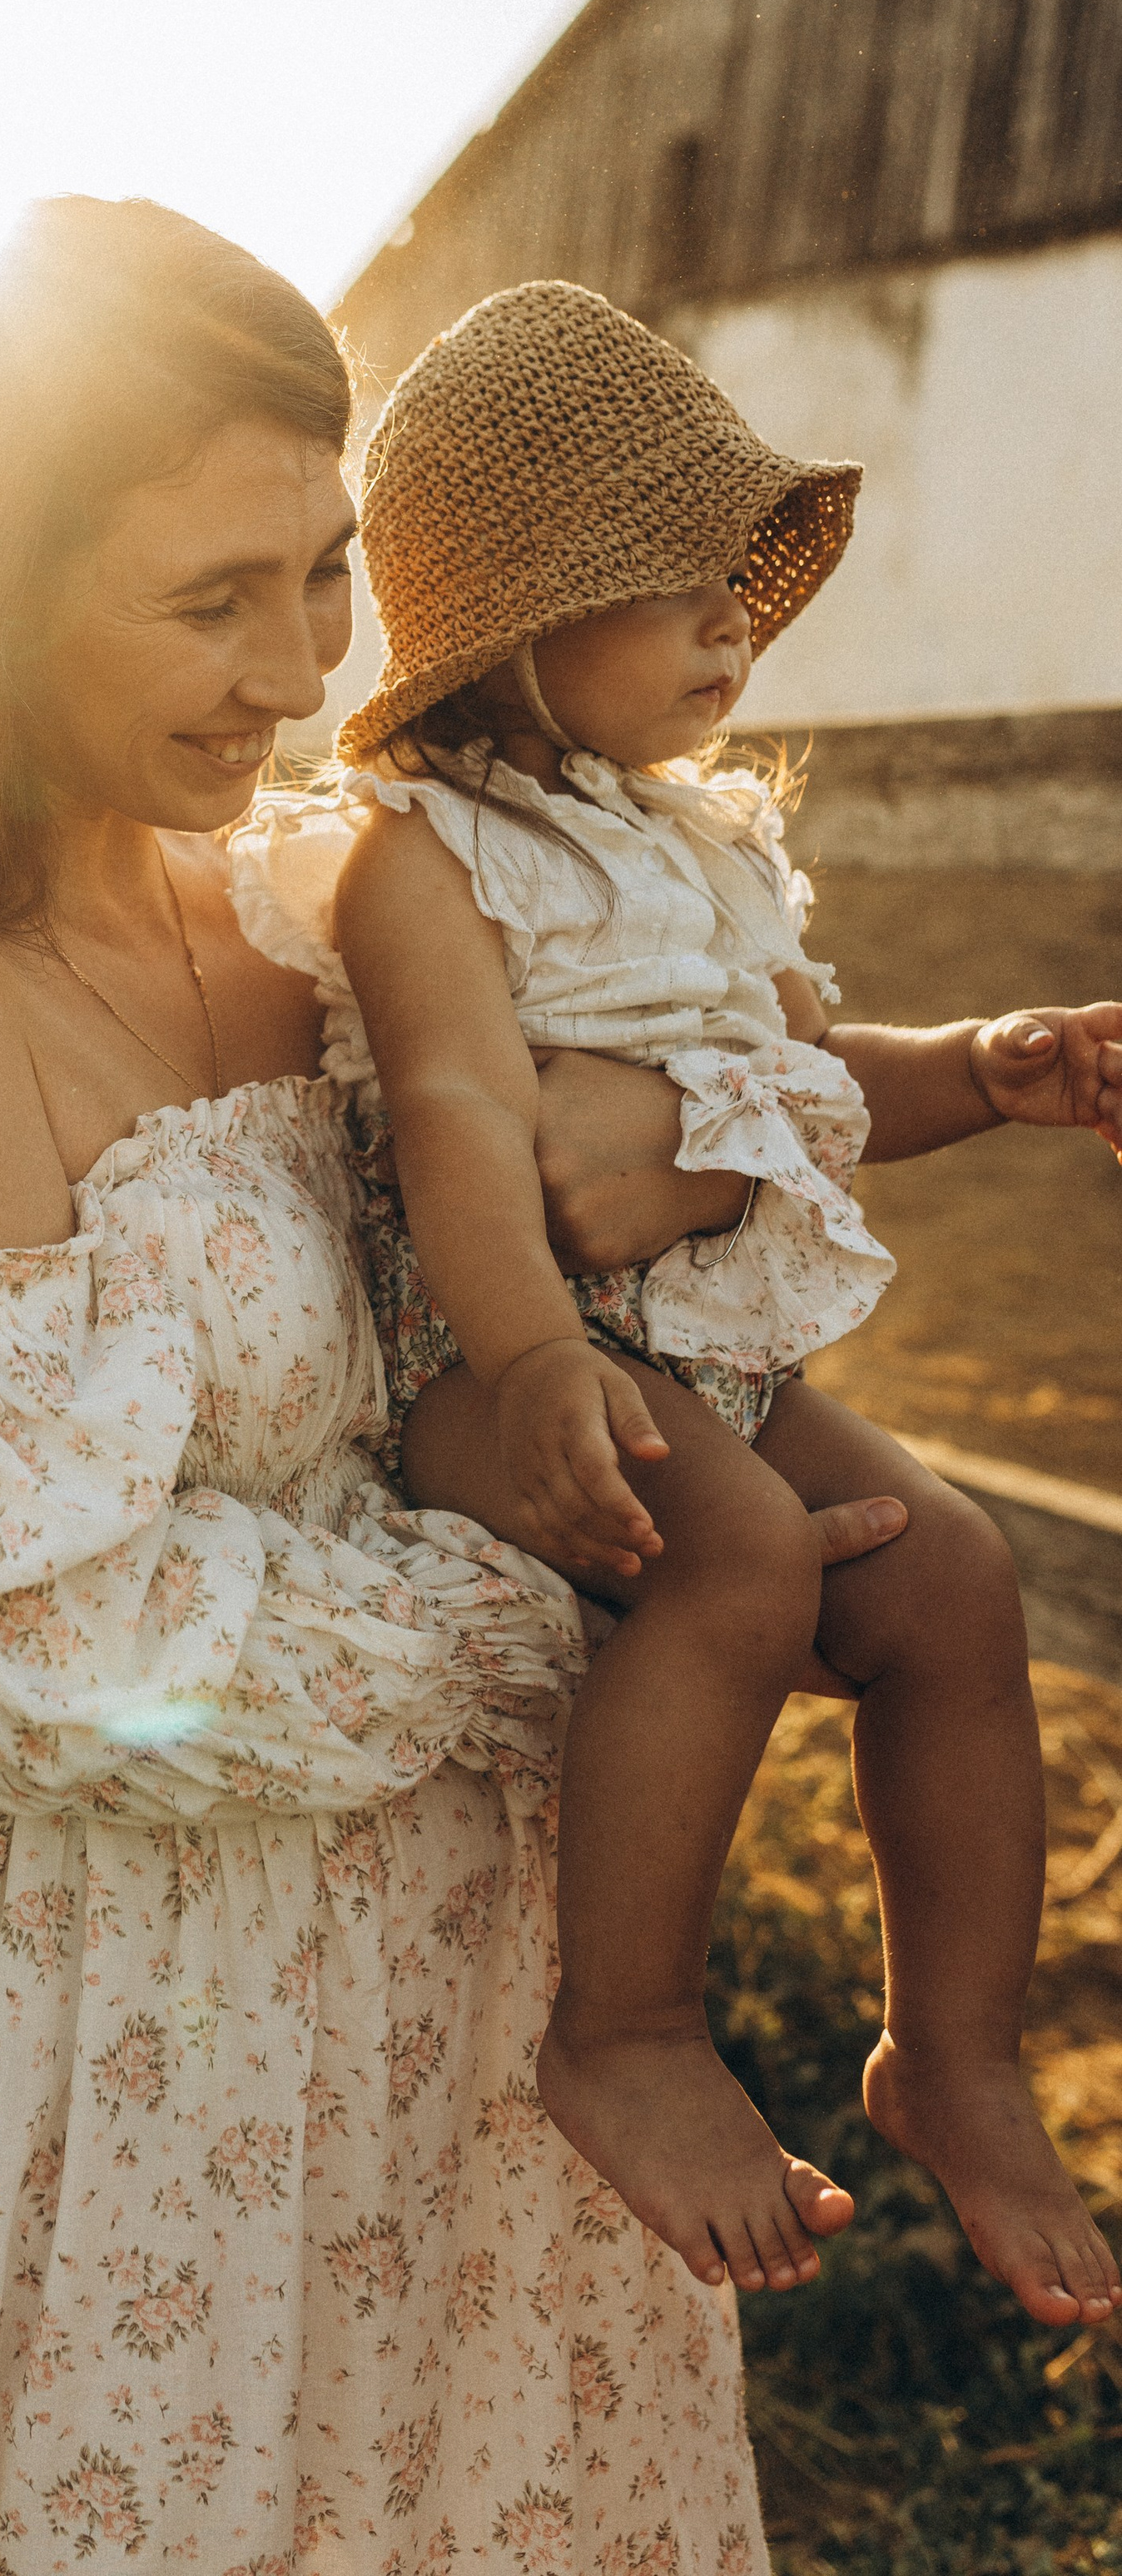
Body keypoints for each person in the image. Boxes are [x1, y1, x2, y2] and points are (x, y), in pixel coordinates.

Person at [0, 205, 909, 2575]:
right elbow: (54, 1659)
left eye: (323, 573)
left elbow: (635, 1156)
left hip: (451, 2036)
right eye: (206, 600)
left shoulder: (311, 896)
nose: (299, 664)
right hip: (101, 2058)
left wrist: (688, 1161)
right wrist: (614, 1616)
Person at [233, 280, 1122, 2335]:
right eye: (676, 588)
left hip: (702, 1347)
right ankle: (622, 2021)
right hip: (481, 1356)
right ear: (522, 611)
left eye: (745, 584)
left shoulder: (710, 849)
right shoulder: (416, 855)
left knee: (957, 1582)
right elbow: (461, 1112)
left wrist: (977, 1069)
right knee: (733, 1557)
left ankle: (952, 2053)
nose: (736, 629)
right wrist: (537, 1351)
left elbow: (813, 1080)